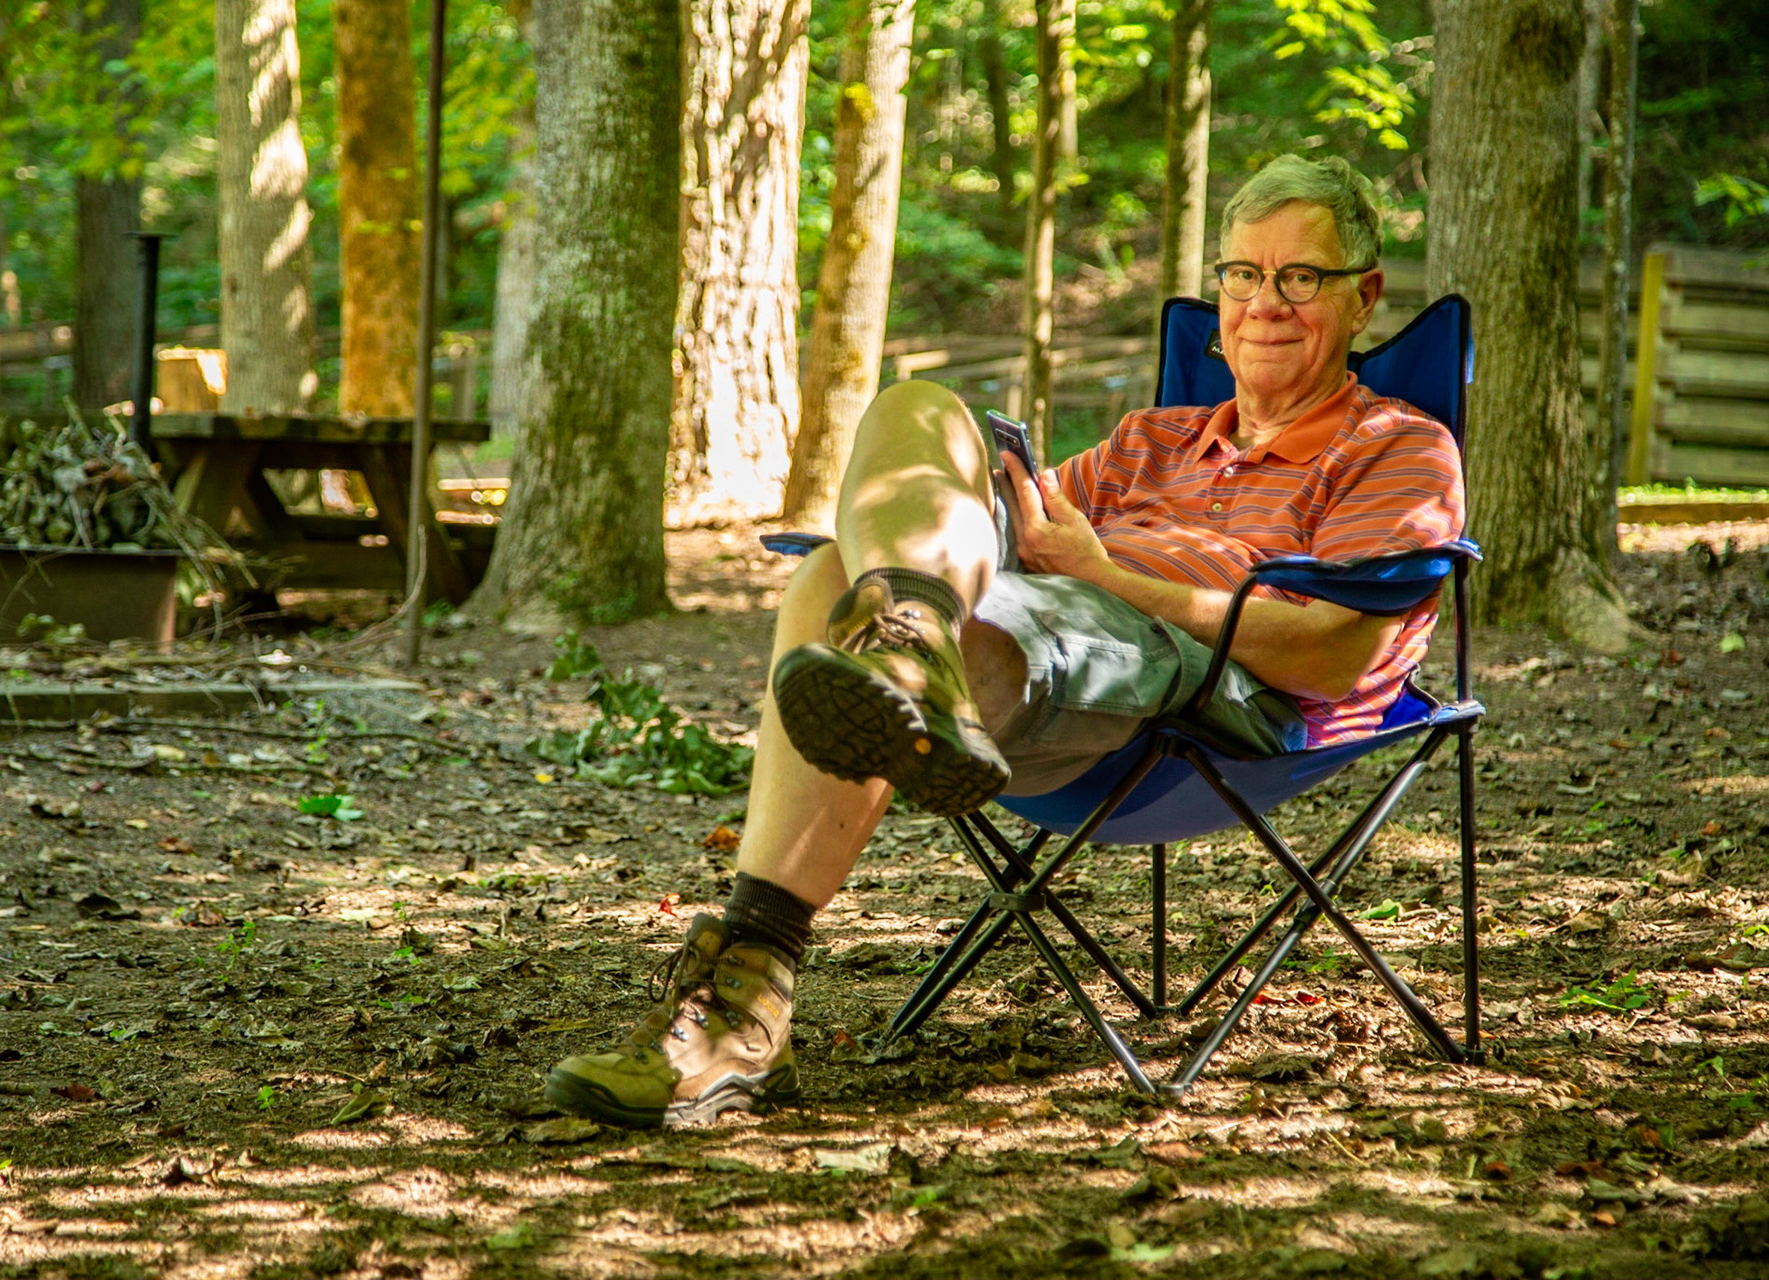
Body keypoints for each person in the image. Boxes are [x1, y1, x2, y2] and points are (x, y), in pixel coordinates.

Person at [543, 154, 1466, 1129]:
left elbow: (1339, 654)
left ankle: (748, 989)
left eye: (1301, 278)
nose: (1264, 303)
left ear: (1364, 297)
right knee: (908, 426)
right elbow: (1021, 535)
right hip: (1051, 647)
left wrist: (1106, 572)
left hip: (1219, 693)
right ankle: (910, 656)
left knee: (833, 590)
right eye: (1242, 274)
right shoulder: (1152, 437)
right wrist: (1004, 518)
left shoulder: (1398, 445)